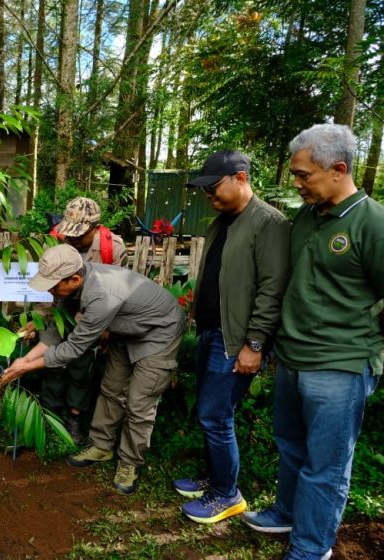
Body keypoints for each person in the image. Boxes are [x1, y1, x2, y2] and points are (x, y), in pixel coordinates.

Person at [242, 124, 383, 560]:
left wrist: (368, 347)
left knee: (326, 465)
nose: (297, 184)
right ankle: (287, 513)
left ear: (338, 169)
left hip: (341, 364)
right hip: (292, 357)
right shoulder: (307, 218)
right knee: (290, 446)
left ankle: (311, 546)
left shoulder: (373, 223)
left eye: (304, 175)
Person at [1, 244, 186, 494]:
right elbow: (55, 333)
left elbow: (73, 348)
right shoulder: (74, 285)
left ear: (75, 279)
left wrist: (27, 368)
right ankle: (101, 446)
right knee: (111, 389)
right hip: (126, 330)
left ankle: (130, 462)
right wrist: (24, 361)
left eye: (53, 286)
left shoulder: (101, 296)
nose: (51, 291)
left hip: (158, 332)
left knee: (139, 402)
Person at [171, 150, 290, 524]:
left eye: (214, 186)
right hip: (212, 331)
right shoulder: (222, 221)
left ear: (241, 178)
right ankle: (214, 477)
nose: (208, 194)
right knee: (210, 413)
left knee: (215, 415)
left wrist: (255, 344)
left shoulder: (269, 223)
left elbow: (272, 289)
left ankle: (227, 494)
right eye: (204, 188)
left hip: (237, 338)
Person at [40, 196, 127, 443]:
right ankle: (50, 414)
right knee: (51, 363)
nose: (73, 239)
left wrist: (106, 329)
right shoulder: (57, 241)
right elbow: (46, 285)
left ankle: (75, 417)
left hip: (91, 319)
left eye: (79, 234)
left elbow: (119, 291)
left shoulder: (113, 248)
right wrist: (40, 319)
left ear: (95, 227)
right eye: (70, 233)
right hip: (58, 315)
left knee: (81, 368)